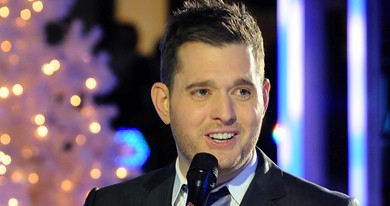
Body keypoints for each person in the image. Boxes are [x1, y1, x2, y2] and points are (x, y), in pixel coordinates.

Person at [84, 0, 359, 205]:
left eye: (241, 92)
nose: (224, 114)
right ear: (163, 103)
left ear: (263, 98)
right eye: (202, 92)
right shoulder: (110, 203)